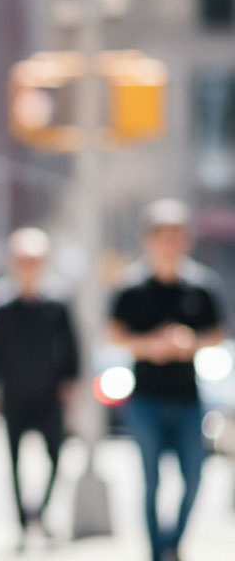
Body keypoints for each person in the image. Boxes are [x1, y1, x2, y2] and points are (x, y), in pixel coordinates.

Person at [109, 199, 228, 561]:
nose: (170, 243)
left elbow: (217, 333)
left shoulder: (201, 286)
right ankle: (157, 552)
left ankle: (173, 544)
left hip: (189, 399)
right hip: (145, 399)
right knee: (151, 483)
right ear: (148, 239)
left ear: (187, 240)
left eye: (177, 235)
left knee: (194, 478)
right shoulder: (131, 287)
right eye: (163, 235)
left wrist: (190, 342)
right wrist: (150, 346)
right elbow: (113, 335)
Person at [0, 227, 79, 548]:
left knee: (56, 457)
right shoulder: (2, 305)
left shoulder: (57, 304)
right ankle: (22, 523)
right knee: (14, 462)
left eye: (34, 260)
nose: (28, 266)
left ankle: (43, 513)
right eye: (23, 259)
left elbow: (72, 348)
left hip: (49, 395)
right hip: (15, 395)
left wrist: (70, 383)